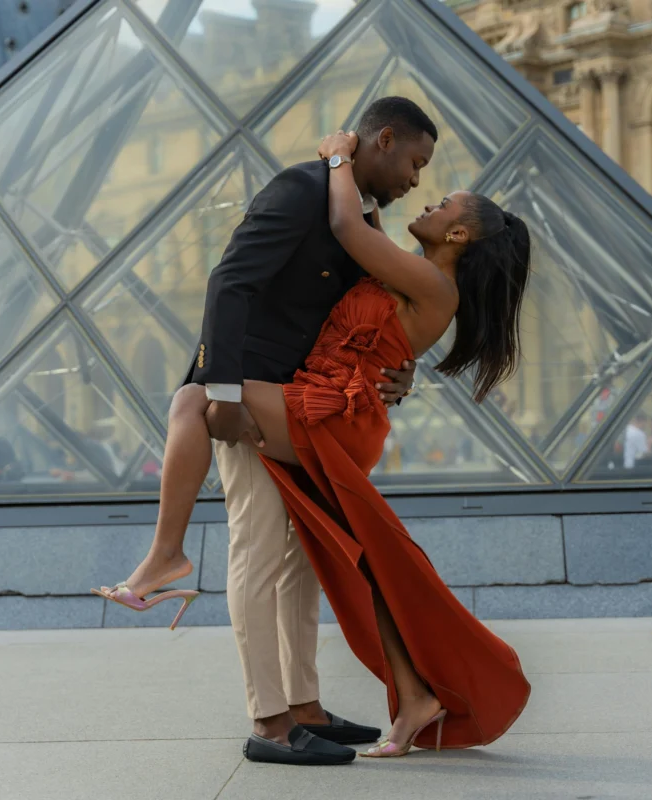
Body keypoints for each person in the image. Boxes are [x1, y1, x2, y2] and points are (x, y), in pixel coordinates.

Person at [94, 119, 533, 764]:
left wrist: (334, 160)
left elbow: (350, 230)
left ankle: (168, 557)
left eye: (440, 201)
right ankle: (314, 705)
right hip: (333, 410)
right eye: (418, 167)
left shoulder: (432, 283)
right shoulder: (414, 270)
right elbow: (366, 248)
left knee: (196, 399)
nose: (422, 188)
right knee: (303, 559)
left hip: (331, 414)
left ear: (460, 235)